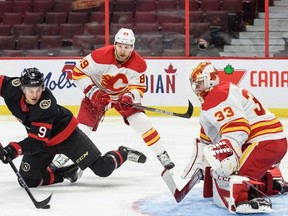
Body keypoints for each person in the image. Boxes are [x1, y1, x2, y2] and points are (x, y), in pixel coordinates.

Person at [0, 68, 147, 188]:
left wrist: (13, 149)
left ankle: (123, 152)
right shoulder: (11, 88)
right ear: (22, 89)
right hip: (43, 143)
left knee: (103, 169)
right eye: (30, 90)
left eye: (38, 90)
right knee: (27, 180)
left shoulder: (45, 105)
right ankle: (65, 173)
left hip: (67, 136)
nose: (35, 94)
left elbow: (36, 143)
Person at [183, 61, 288, 214]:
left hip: (264, 143)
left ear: (210, 80)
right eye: (195, 84)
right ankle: (273, 183)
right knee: (223, 172)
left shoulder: (217, 95)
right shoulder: (220, 93)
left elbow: (239, 128)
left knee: (231, 179)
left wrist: (227, 151)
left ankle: (247, 198)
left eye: (199, 83)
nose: (197, 88)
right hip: (269, 142)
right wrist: (202, 164)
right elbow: (207, 136)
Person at [69, 28, 175, 170]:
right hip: (97, 95)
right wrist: (93, 92)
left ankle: (162, 153)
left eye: (126, 47)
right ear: (115, 44)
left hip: (122, 97)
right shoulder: (99, 56)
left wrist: (130, 96)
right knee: (82, 130)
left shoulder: (139, 64)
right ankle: (64, 161)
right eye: (119, 46)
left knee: (142, 122)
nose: (122, 50)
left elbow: (139, 88)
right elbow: (77, 72)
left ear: (132, 48)